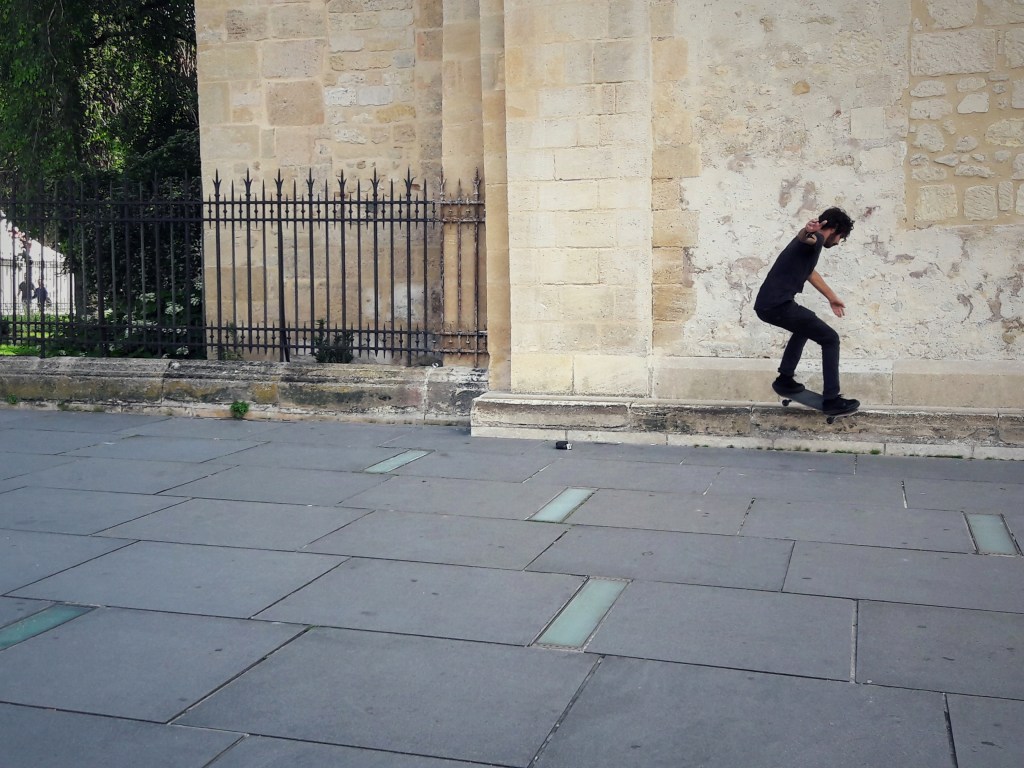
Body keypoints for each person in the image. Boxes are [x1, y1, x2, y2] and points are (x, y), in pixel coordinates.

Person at [754, 208, 859, 417]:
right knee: (830, 338)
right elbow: (806, 238)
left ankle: (785, 380)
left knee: (805, 326)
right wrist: (807, 231)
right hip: (777, 306)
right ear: (835, 229)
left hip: (769, 305)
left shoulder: (809, 249)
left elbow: (810, 272)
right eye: (841, 237)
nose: (838, 242)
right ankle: (832, 400)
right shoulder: (816, 239)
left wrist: (831, 297)